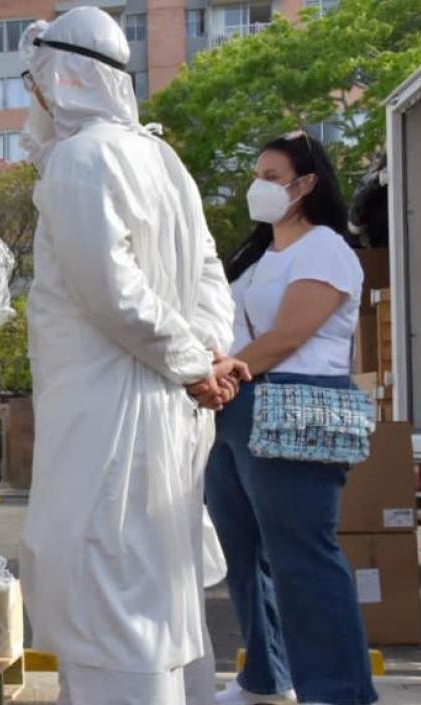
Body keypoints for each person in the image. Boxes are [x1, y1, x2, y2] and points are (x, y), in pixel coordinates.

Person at [17, 8, 247, 704]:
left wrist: (192, 363)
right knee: (156, 601)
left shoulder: (82, 158)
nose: (36, 99)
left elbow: (111, 289)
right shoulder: (162, 159)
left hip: (110, 420)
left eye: (38, 83)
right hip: (165, 411)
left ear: (68, 76)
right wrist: (207, 354)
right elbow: (211, 277)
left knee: (112, 603)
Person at [206, 133, 379, 705]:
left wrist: (229, 369)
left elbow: (290, 334)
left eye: (274, 176)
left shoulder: (325, 248)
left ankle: (339, 691)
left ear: (307, 184)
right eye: (258, 174)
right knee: (245, 554)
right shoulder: (256, 257)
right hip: (238, 410)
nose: (261, 185)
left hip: (293, 402)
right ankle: (265, 675)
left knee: (302, 556)